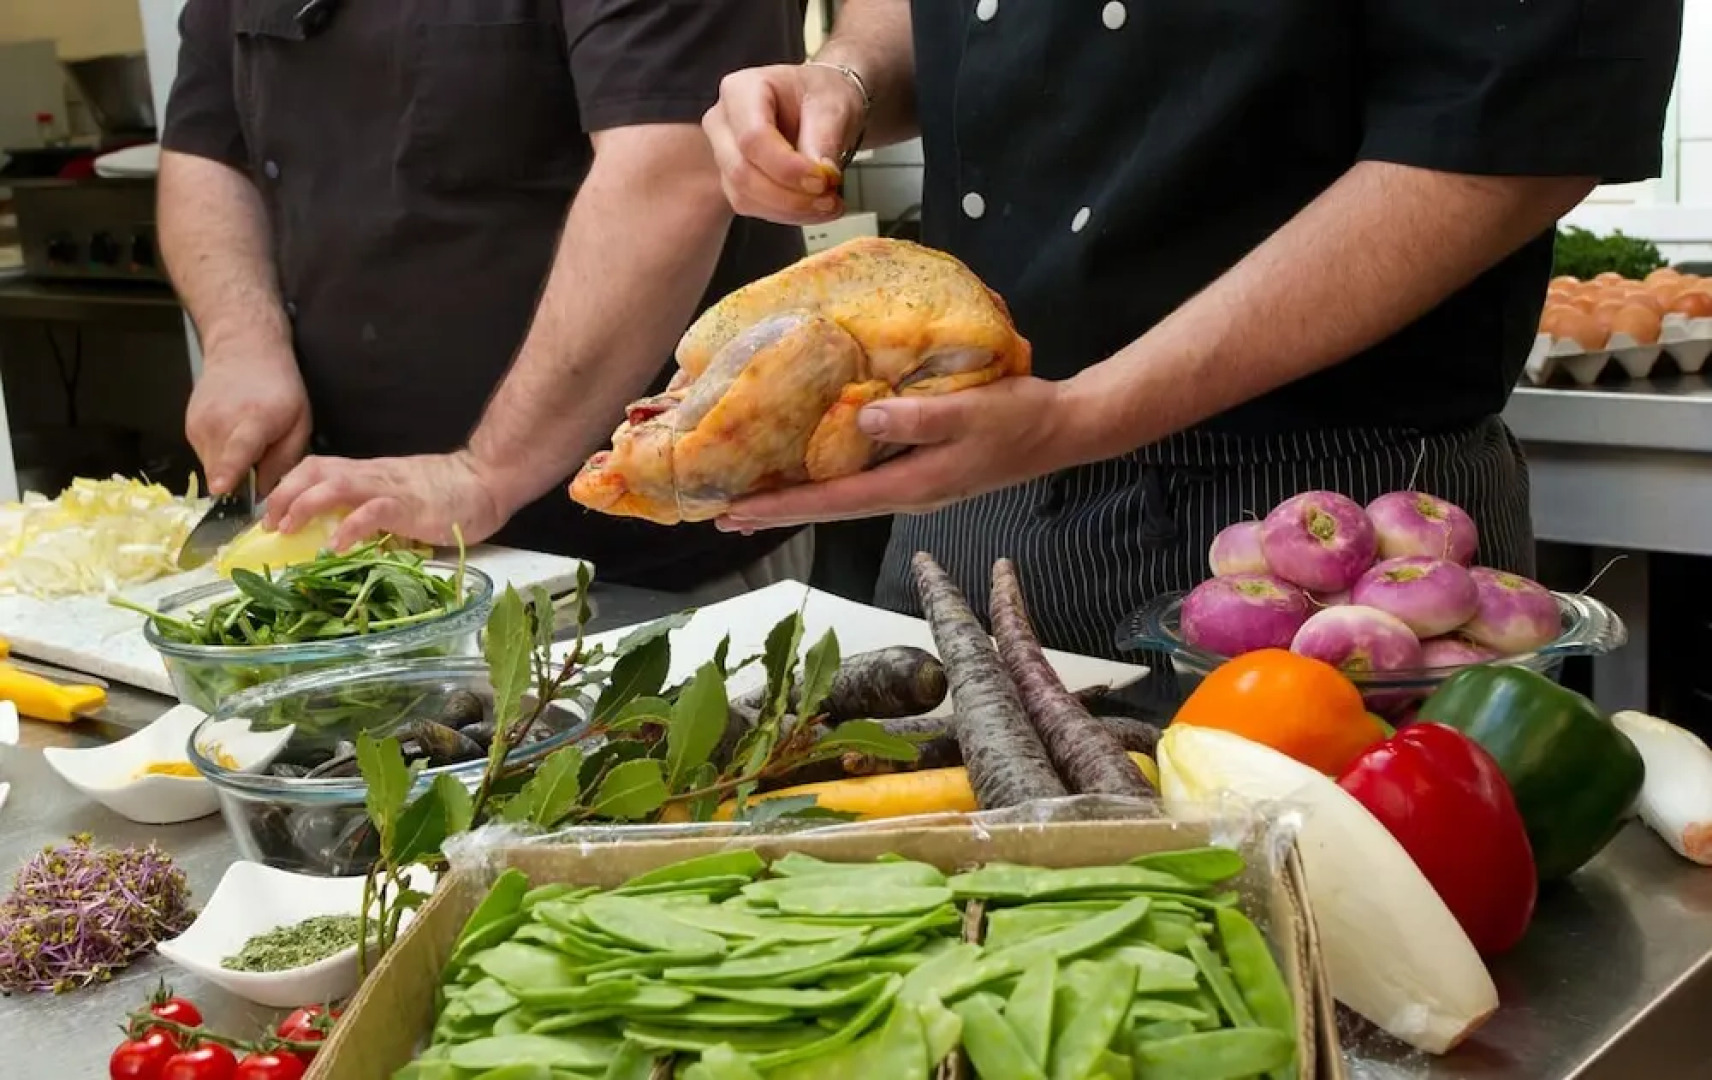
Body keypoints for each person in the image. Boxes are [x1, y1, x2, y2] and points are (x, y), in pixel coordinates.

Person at [702, 0, 1682, 656]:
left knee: (1315, 954)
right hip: (966, 502)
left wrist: (1086, 413)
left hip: (1325, 529)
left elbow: (1517, 135)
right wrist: (845, 75)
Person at [158, 0, 813, 599]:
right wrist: (242, 340)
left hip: (644, 563)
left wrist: (486, 472)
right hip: (355, 553)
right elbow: (207, 148)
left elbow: (673, 173)